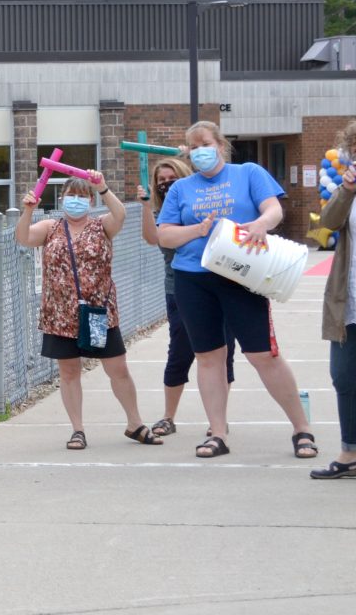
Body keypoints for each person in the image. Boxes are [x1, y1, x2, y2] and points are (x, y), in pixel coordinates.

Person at [156, 120, 315, 459]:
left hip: (242, 275)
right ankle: (217, 433)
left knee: (262, 355)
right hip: (193, 279)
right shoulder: (182, 189)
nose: (200, 151)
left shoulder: (248, 173)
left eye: (205, 143)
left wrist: (261, 223)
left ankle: (302, 429)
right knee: (209, 357)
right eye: (193, 146)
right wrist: (197, 230)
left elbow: (274, 209)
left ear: (221, 144)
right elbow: (164, 234)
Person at [15, 171, 155, 450]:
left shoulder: (102, 225)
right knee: (69, 372)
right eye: (71, 196)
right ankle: (77, 429)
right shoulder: (50, 227)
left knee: (118, 368)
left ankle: (135, 422)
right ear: (61, 198)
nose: (75, 201)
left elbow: (120, 215)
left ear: (91, 201)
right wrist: (27, 211)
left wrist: (102, 186)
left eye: (82, 196)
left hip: (98, 312)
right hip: (59, 314)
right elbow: (23, 238)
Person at [137, 155, 236, 437]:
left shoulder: (204, 205)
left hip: (222, 285)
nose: (168, 185)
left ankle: (218, 420)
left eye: (173, 179)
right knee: (179, 352)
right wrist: (145, 207)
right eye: (162, 182)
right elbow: (152, 238)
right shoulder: (163, 214)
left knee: (223, 353)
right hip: (180, 288)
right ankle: (168, 416)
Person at [312, 123, 356, 480]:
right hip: (350, 301)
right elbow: (327, 223)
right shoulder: (348, 187)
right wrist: (346, 189)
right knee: (343, 376)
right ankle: (350, 452)